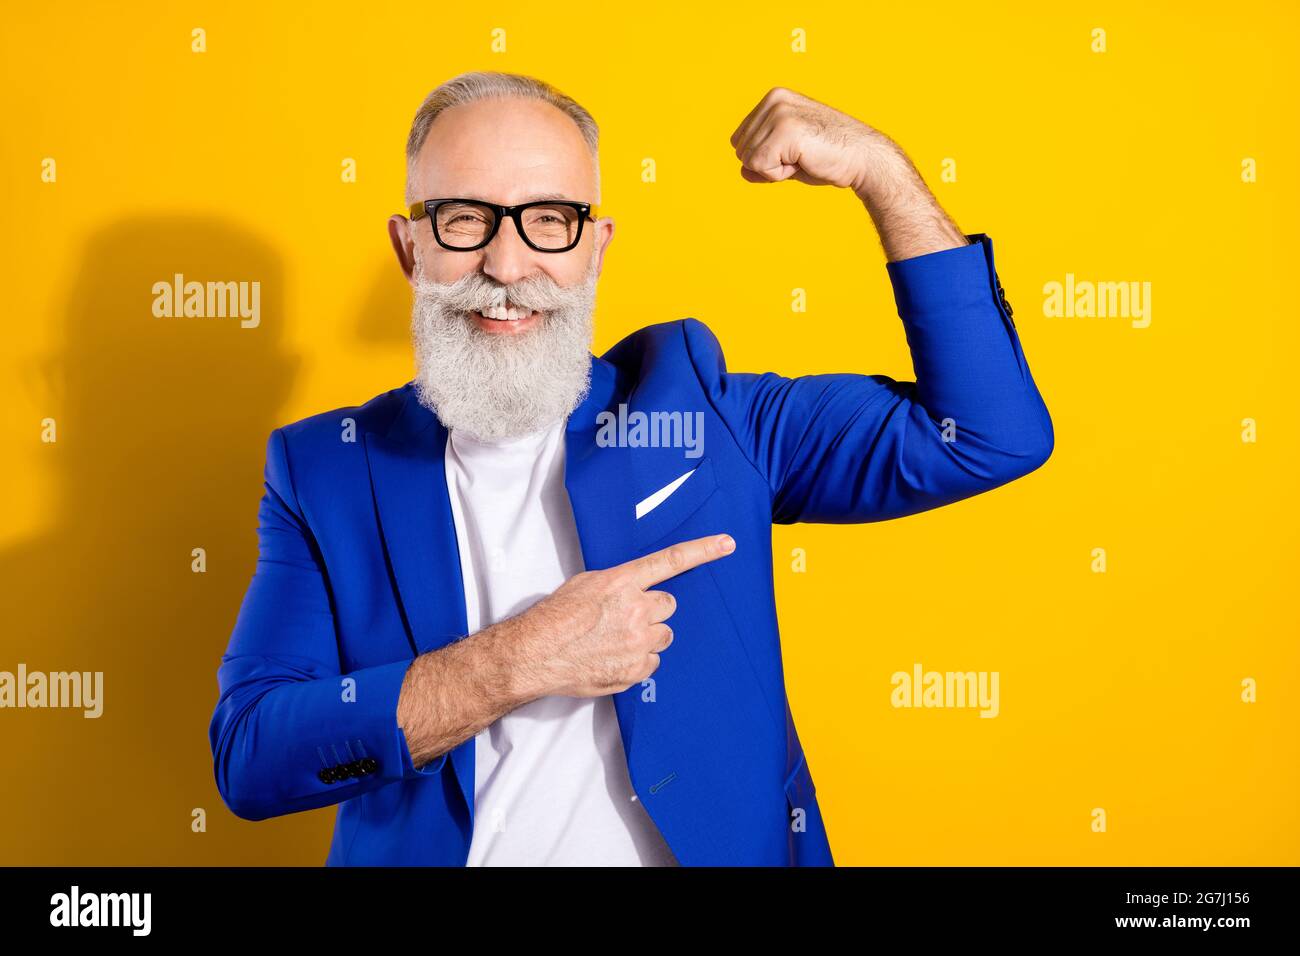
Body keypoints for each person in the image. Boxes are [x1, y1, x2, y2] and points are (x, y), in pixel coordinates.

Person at [208, 70, 1053, 866]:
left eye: (550, 219)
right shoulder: (324, 467)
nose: (507, 267)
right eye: (464, 219)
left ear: (597, 248)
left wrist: (881, 173)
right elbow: (253, 755)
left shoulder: (701, 411)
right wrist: (517, 661)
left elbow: (985, 434)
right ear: (410, 247)